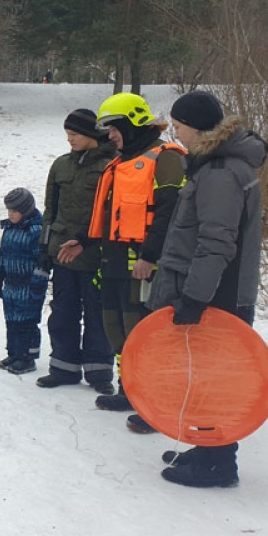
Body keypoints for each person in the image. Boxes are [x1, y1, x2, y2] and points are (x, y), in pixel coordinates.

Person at [147, 90, 267, 488]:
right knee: (202, 376)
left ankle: (218, 463)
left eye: (180, 127)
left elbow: (216, 241)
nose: (177, 135)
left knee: (214, 378)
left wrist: (195, 297)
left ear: (198, 128)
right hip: (212, 291)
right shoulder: (217, 167)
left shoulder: (220, 173)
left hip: (216, 295)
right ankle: (208, 447)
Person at [86, 93, 186, 432]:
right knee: (118, 332)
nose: (110, 136)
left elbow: (168, 212)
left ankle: (154, 404)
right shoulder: (120, 163)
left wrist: (149, 256)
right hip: (114, 263)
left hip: (143, 267)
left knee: (143, 335)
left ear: (131, 123)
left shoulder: (165, 158)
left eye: (113, 129)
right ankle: (130, 390)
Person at [35, 109, 117, 393]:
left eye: (75, 134)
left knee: (97, 313)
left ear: (92, 134)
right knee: (62, 311)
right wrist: (45, 247)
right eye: (67, 135)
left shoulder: (112, 165)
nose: (70, 139)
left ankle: (99, 373)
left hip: (96, 256)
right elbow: (50, 209)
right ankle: (63, 368)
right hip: (62, 254)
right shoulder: (61, 165)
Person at [0, 188, 50, 374]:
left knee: (27, 321)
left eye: (14, 211)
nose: (10, 215)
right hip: (10, 283)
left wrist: (37, 285)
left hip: (28, 285)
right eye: (8, 211)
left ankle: (27, 357)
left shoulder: (35, 231)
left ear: (25, 211)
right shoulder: (9, 229)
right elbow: (2, 255)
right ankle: (14, 353)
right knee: (11, 320)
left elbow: (42, 262)